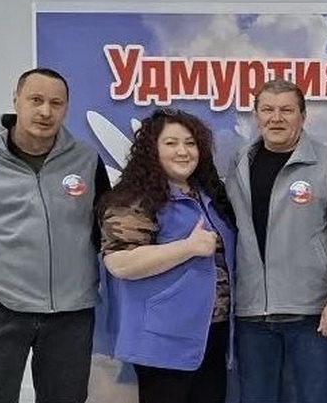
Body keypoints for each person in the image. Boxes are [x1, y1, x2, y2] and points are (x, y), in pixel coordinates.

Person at [0, 67, 110, 403]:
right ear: (16, 100)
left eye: (56, 103)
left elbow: (102, 228)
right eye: (36, 100)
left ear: (66, 108)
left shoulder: (86, 159)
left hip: (71, 312)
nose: (45, 111)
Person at [225, 79, 327, 403]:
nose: (276, 118)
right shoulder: (238, 164)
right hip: (252, 314)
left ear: (303, 116)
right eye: (267, 110)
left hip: (312, 315)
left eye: (286, 110)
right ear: (256, 116)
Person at [96, 108, 236, 403]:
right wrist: (188, 247)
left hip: (212, 332)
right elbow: (120, 263)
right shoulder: (133, 198)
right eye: (171, 143)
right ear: (152, 149)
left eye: (190, 143)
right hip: (163, 340)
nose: (183, 151)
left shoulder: (210, 195)